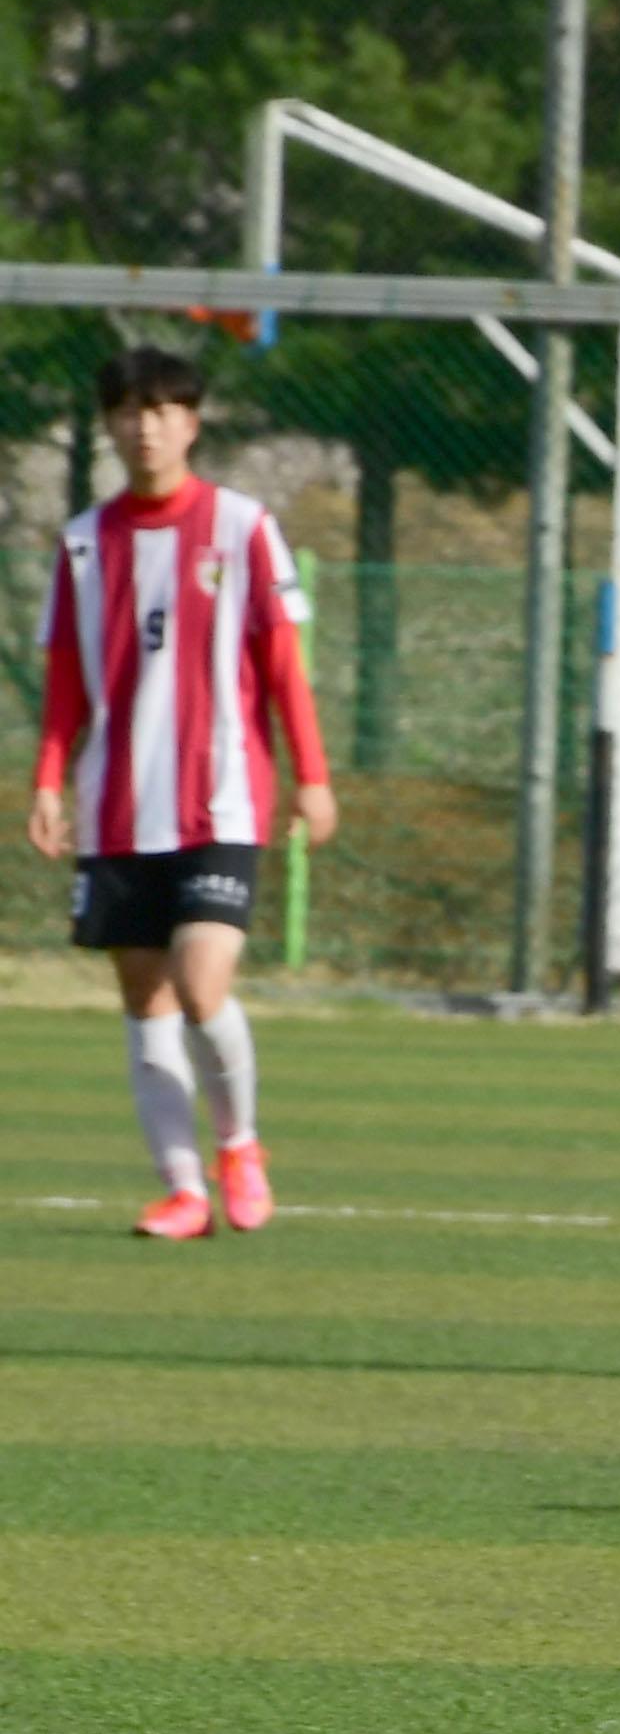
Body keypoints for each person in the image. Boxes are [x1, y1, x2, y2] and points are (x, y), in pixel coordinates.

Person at [25, 345, 336, 1240]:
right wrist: (48, 780)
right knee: (144, 997)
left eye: (163, 410)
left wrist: (312, 777)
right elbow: (64, 684)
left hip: (221, 799)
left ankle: (239, 1144)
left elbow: (284, 667)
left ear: (192, 422)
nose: (145, 426)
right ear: (111, 424)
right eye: (128, 410)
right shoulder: (85, 543)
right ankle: (182, 1187)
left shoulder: (241, 527)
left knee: (202, 984)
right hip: (118, 807)